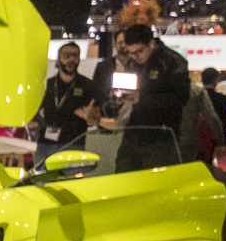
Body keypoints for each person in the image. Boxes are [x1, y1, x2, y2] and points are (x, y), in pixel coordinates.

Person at [77, 24, 189, 172]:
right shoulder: (132, 62)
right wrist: (118, 96)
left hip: (161, 133)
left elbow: (181, 99)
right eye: (131, 52)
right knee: (123, 175)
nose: (136, 56)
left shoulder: (173, 62)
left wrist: (142, 99)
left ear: (151, 43)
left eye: (139, 51)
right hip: (133, 130)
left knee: (154, 180)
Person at [35, 41, 94, 161]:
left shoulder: (88, 86)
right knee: (42, 173)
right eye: (66, 56)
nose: (71, 59)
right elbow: (33, 110)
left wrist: (91, 117)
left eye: (75, 56)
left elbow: (96, 116)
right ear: (58, 60)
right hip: (45, 145)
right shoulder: (47, 85)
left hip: (74, 145)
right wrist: (37, 121)